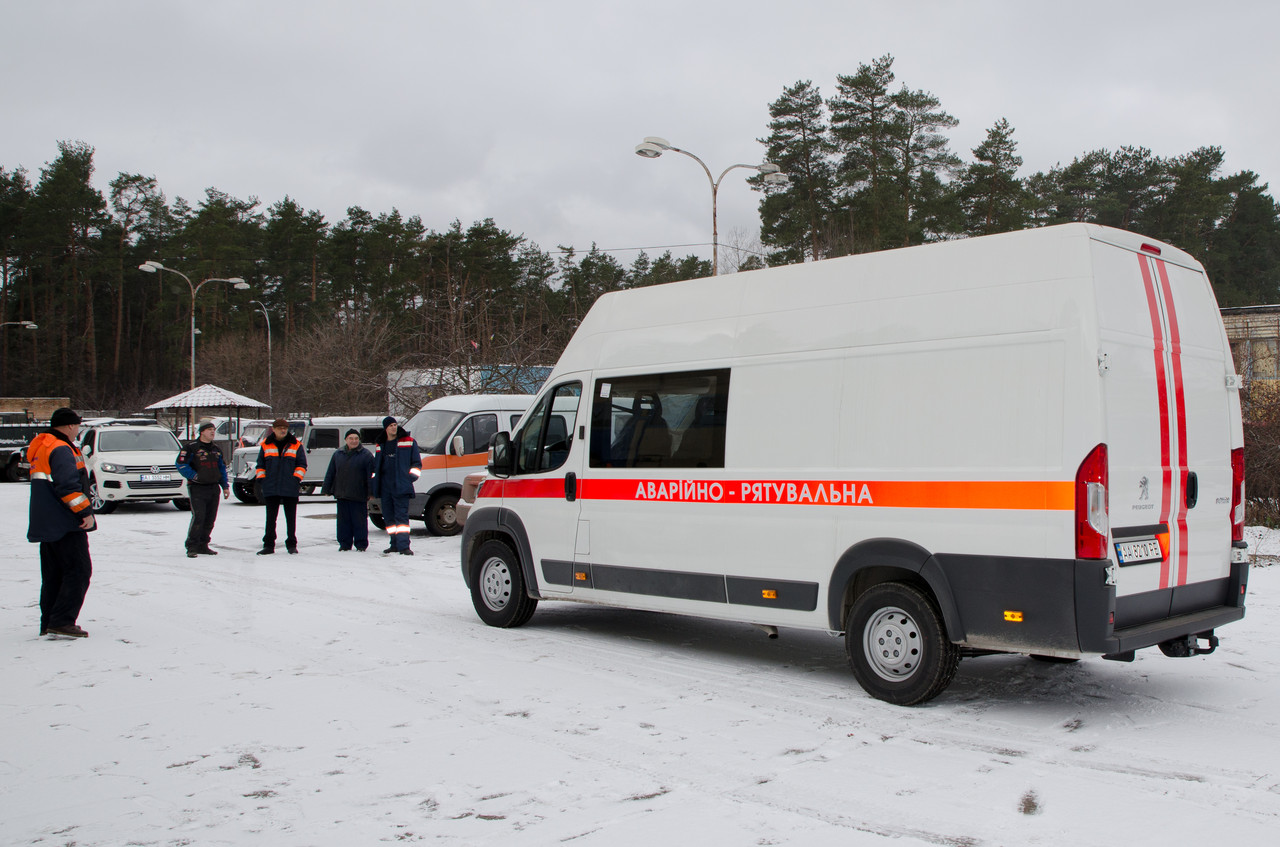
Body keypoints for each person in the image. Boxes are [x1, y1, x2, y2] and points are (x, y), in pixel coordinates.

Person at [27, 407, 96, 638]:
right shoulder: (62, 449)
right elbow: (68, 487)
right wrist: (85, 512)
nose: (78, 430)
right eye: (77, 426)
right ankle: (62, 621)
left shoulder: (43, 446)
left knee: (53, 574)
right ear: (69, 426)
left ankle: (49, 621)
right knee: (78, 571)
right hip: (65, 522)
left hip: (47, 522)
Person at [176, 420, 230, 558]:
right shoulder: (191, 448)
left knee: (210, 519)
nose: (212, 432)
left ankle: (203, 544)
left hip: (213, 487)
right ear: (202, 432)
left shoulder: (216, 449)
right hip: (197, 487)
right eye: (209, 429)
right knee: (199, 516)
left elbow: (221, 468)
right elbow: (181, 465)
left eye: (213, 429)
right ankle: (192, 546)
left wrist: (225, 486)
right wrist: (194, 476)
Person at [369, 415, 421, 555]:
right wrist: (375, 485)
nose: (394, 427)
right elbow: (376, 468)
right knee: (389, 517)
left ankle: (404, 546)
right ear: (386, 428)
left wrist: (409, 478)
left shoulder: (409, 442)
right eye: (391, 425)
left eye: (395, 425)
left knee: (402, 518)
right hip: (385, 487)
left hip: (401, 487)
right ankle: (394, 544)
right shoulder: (381, 444)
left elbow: (417, 464)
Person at [255, 418, 307, 555]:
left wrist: (296, 479)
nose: (283, 430)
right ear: (274, 429)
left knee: (291, 518)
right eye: (280, 428)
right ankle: (268, 545)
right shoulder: (265, 444)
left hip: (290, 487)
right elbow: (260, 465)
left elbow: (302, 465)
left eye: (285, 428)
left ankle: (291, 544)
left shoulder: (296, 445)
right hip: (271, 487)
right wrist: (262, 479)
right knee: (271, 518)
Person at [321, 428, 374, 552]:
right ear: (346, 440)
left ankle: (361, 544)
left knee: (359, 521)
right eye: (351, 438)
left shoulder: (366, 455)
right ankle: (344, 544)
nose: (354, 441)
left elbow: (371, 475)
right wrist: (327, 488)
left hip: (359, 494)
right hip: (342, 494)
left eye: (356, 438)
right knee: (343, 522)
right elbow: (331, 472)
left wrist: (371, 492)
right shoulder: (338, 454)